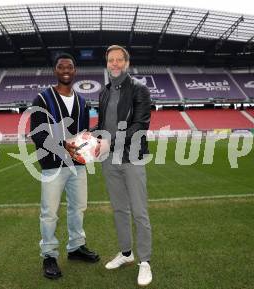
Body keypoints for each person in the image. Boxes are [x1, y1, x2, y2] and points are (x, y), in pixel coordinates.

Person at [30, 53, 100, 280]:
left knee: (78, 207)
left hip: (77, 165)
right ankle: (49, 255)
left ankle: (76, 247)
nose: (66, 70)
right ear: (55, 71)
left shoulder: (82, 101)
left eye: (70, 67)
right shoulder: (42, 98)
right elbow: (38, 133)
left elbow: (83, 135)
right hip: (52, 166)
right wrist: (62, 146)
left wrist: (91, 144)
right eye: (61, 67)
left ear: (75, 71)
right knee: (49, 213)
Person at [93, 45, 153, 286]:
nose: (115, 64)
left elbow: (140, 125)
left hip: (132, 157)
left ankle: (145, 262)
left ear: (127, 64)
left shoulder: (140, 89)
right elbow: (102, 124)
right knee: (119, 209)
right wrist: (91, 140)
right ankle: (126, 254)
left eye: (119, 60)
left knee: (139, 211)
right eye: (111, 60)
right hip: (109, 159)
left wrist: (110, 142)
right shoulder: (104, 92)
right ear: (107, 64)